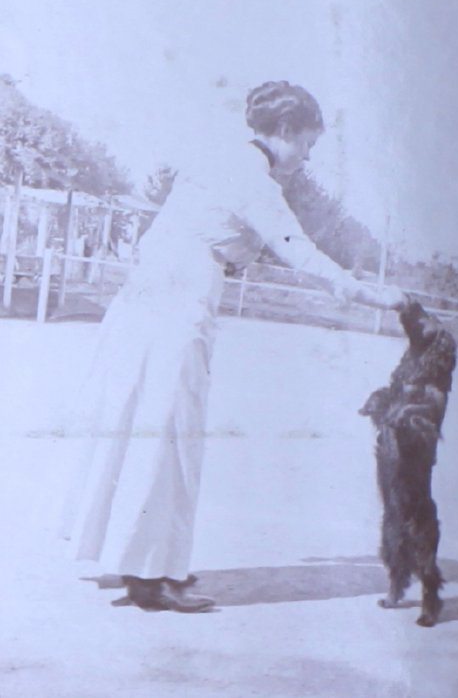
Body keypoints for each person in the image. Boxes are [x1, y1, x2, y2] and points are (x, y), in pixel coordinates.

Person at [65, 80, 404, 613]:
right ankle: (153, 577)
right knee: (172, 433)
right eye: (307, 144)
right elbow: (299, 252)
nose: (307, 157)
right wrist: (371, 293)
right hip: (182, 297)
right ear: (285, 130)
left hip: (146, 290)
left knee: (132, 420)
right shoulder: (255, 183)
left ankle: (130, 556)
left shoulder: (215, 158)